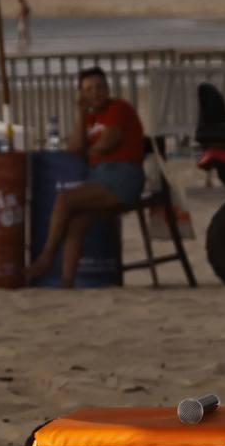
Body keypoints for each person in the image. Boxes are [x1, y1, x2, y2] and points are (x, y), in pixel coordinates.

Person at [26, 67, 145, 286]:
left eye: (100, 87)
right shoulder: (90, 118)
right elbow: (75, 149)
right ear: (81, 94)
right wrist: (81, 114)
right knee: (76, 224)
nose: (96, 93)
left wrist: (89, 152)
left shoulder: (119, 108)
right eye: (89, 89)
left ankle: (46, 258)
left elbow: (109, 141)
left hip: (122, 174)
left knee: (65, 200)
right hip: (100, 177)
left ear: (108, 89)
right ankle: (67, 283)